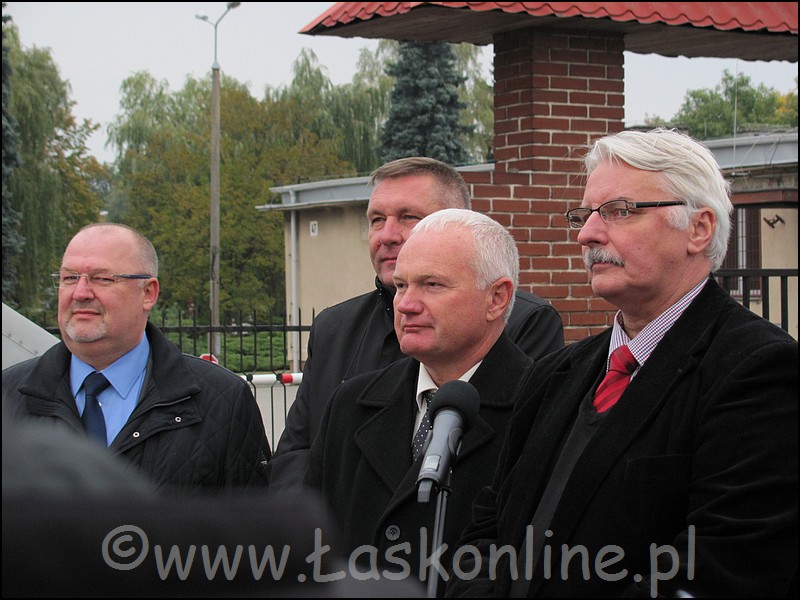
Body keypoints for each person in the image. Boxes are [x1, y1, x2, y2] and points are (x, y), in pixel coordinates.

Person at [445, 128, 798, 598]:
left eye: (620, 211)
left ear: (699, 229)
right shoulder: (553, 375)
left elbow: (726, 567)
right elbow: (486, 532)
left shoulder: (757, 370)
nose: (587, 234)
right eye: (585, 214)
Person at [269, 157, 564, 490]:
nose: (387, 236)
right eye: (377, 220)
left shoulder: (521, 321)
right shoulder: (334, 328)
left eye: (409, 217)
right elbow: (296, 456)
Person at [306, 208, 534, 594]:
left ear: (497, 298)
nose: (406, 304)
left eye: (432, 285)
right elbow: (313, 545)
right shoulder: (351, 404)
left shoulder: (542, 409)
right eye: (401, 286)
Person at [2, 223, 271, 493]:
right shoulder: (9, 395)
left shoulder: (223, 401)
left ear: (148, 293)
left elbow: (249, 516)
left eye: (102, 278)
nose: (80, 293)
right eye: (70, 278)